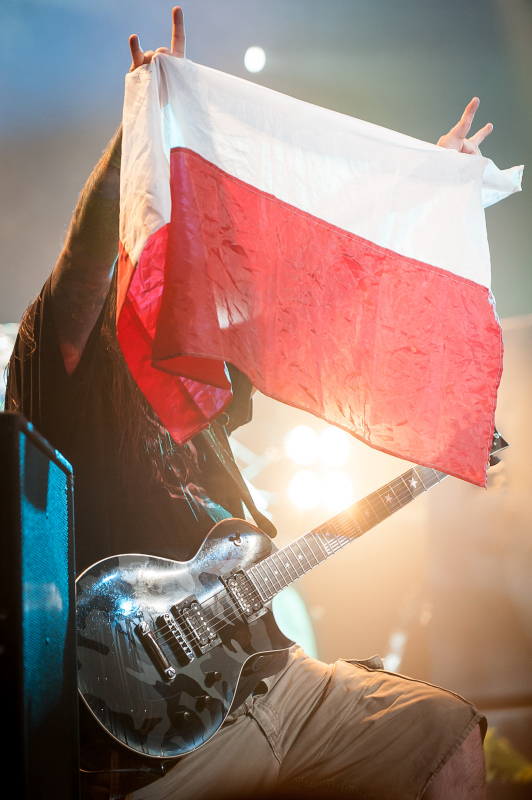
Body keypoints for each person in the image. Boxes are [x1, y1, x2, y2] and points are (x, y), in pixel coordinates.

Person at [7, 7, 494, 800]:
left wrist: (422, 198)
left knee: (442, 733)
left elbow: (326, 294)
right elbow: (83, 261)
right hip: (172, 740)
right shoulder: (75, 362)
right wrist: (144, 126)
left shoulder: (206, 372)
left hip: (285, 688)